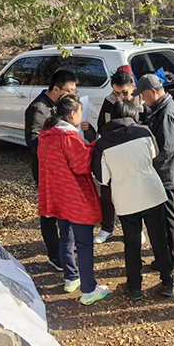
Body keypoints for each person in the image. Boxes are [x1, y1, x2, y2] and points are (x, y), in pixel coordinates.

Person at [92, 100, 174, 300]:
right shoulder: (144, 132)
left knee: (132, 243)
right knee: (159, 239)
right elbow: (154, 154)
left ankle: (135, 287)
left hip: (125, 198)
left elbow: (102, 178)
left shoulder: (102, 143)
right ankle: (168, 280)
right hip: (151, 192)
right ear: (133, 115)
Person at [37, 94, 109, 306]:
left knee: (65, 237)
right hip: (74, 196)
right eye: (80, 112)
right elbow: (81, 165)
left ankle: (71, 277)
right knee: (84, 243)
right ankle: (89, 290)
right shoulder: (68, 136)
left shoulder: (46, 135)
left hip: (57, 196)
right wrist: (94, 145)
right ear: (71, 114)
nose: (81, 116)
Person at [134, 73, 174, 270]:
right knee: (173, 211)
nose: (143, 99)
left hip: (164, 172)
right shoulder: (162, 107)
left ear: (153, 91)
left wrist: (146, 160)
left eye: (144, 95)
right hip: (167, 170)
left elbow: (165, 150)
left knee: (167, 216)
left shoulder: (165, 114)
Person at [25, 69, 77, 271]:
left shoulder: (60, 105)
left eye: (74, 90)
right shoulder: (38, 108)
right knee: (49, 213)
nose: (72, 94)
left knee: (64, 208)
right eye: (69, 90)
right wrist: (57, 140)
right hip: (46, 169)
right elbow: (32, 140)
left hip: (62, 167)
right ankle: (54, 255)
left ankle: (66, 247)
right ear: (56, 89)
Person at [92, 68, 148, 245]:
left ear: (133, 87)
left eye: (124, 93)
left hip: (134, 155)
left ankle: (137, 229)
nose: (120, 97)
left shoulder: (142, 101)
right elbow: (101, 126)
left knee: (135, 194)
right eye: (116, 93)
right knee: (107, 193)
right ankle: (107, 228)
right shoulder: (109, 102)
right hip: (113, 154)